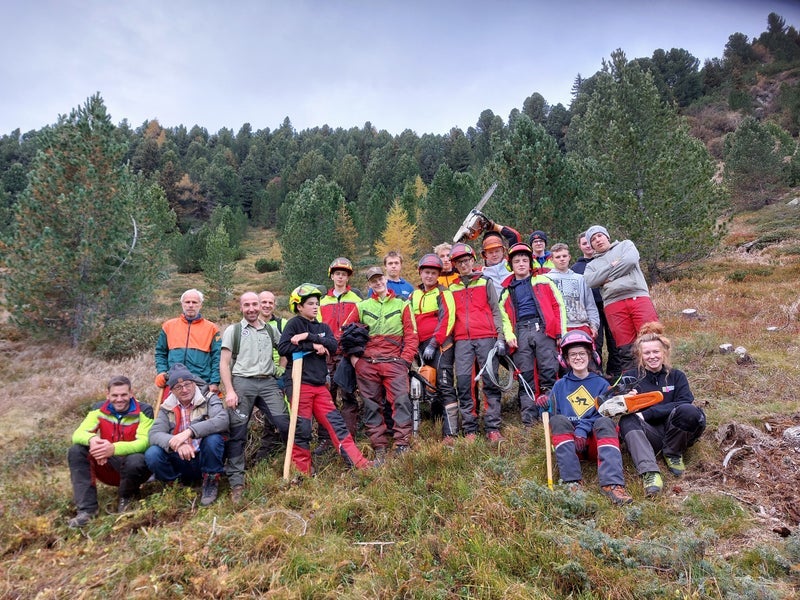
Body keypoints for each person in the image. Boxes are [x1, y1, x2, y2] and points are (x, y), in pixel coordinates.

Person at [278, 284, 371, 474]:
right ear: (299, 306)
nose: (315, 307)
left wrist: (309, 337)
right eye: (310, 303)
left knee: (336, 423)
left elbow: (333, 345)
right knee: (302, 429)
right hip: (298, 385)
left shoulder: (322, 327)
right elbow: (284, 348)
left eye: (317, 303)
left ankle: (360, 464)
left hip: (320, 386)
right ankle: (302, 471)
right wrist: (313, 346)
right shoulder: (293, 324)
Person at [543, 331, 633, 505]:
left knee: (605, 422)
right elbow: (551, 417)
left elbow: (604, 412)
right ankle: (572, 482)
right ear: (566, 360)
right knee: (558, 421)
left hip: (594, 444)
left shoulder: (602, 384)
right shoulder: (559, 385)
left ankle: (612, 484)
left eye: (582, 353)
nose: (578, 358)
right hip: (571, 447)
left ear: (591, 356)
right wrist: (544, 405)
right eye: (573, 354)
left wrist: (582, 429)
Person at [220, 292, 294, 503]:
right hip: (243, 383)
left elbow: (285, 348)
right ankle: (236, 482)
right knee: (238, 431)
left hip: (268, 383)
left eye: (255, 304)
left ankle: (297, 462)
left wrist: (282, 367)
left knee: (284, 422)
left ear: (260, 306)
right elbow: (224, 363)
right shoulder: (233, 331)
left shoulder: (270, 329)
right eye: (247, 305)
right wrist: (230, 391)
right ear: (241, 307)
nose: (252, 308)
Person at [618, 322, 706, 496]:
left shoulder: (676, 376)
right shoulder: (629, 377)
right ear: (640, 355)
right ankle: (650, 471)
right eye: (647, 353)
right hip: (648, 435)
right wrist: (626, 401)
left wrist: (649, 413)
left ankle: (673, 453)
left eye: (656, 352)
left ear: (664, 352)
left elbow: (684, 401)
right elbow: (614, 408)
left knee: (689, 410)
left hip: (676, 433)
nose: (652, 356)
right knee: (627, 420)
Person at [346, 266, 418, 461]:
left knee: (401, 401)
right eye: (373, 281)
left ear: (385, 279)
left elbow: (412, 337)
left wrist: (405, 361)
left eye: (380, 279)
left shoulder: (402, 305)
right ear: (369, 284)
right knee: (371, 405)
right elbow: (345, 334)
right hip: (367, 363)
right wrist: (354, 359)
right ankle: (379, 445)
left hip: (395, 362)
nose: (378, 283)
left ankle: (402, 443)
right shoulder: (362, 306)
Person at [67, 376, 153, 527]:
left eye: (124, 395)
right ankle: (86, 511)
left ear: (131, 393)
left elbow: (144, 443)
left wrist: (112, 449)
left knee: (137, 458)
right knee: (76, 450)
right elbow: (78, 434)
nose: (119, 399)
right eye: (115, 395)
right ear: (107, 395)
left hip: (136, 471)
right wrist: (93, 441)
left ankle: (127, 499)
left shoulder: (144, 410)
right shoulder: (98, 409)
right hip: (108, 467)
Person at [499, 243, 566, 425]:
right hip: (520, 331)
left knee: (548, 371)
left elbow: (558, 306)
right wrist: (508, 334)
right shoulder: (506, 290)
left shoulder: (544, 281)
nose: (521, 264)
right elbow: (502, 316)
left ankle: (554, 416)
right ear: (511, 265)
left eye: (524, 260)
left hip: (543, 329)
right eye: (517, 261)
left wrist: (561, 333)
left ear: (530, 263)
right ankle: (529, 420)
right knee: (525, 375)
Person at [145, 364, 229, 505]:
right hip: (180, 460)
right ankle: (174, 485)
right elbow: (154, 434)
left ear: (194, 383)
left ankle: (211, 480)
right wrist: (176, 444)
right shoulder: (166, 407)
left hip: (204, 456)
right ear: (171, 390)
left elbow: (222, 420)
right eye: (178, 387)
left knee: (214, 439)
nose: (184, 390)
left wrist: (189, 432)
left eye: (187, 384)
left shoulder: (208, 398)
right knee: (152, 453)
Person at [449, 243, 507, 442]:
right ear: (455, 265)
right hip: (462, 341)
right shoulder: (451, 288)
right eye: (459, 262)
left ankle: (492, 427)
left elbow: (496, 310)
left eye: (466, 260)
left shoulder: (485, 282)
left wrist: (500, 337)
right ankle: (470, 429)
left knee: (490, 382)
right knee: (464, 384)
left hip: (486, 337)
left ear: (473, 261)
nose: (463, 264)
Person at [582, 225, 659, 374]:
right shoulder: (591, 265)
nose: (597, 240)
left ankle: (658, 375)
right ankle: (633, 381)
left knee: (651, 338)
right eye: (593, 239)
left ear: (607, 236)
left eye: (600, 236)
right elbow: (590, 281)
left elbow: (630, 261)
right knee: (625, 348)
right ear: (591, 245)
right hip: (613, 305)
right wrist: (614, 265)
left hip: (638, 297)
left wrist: (606, 277)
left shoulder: (626, 245)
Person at [410, 254, 459, 442]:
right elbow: (410, 321)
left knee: (445, 385)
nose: (429, 276)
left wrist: (434, 343)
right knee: (429, 386)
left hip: (441, 346)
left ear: (438, 274)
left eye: (433, 273)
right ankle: (436, 422)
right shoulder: (414, 295)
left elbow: (448, 319)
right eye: (426, 272)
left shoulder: (443, 292)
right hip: (420, 348)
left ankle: (450, 433)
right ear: (420, 273)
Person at [317, 257, 363, 451]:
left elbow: (361, 326)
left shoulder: (357, 300)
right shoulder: (322, 301)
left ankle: (348, 438)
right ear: (332, 276)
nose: (340, 277)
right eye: (337, 274)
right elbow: (316, 326)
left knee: (348, 396)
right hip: (326, 355)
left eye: (344, 274)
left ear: (348, 277)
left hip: (346, 355)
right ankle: (325, 438)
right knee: (326, 397)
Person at [154, 289, 222, 398]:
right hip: (174, 381)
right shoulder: (168, 326)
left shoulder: (212, 328)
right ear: (182, 304)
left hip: (201, 382)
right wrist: (162, 372)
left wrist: (214, 382)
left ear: (200, 305)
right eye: (187, 302)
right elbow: (160, 352)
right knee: (172, 414)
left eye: (194, 302)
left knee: (202, 414)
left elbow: (217, 357)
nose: (191, 305)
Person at [572, 232, 621, 376]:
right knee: (596, 342)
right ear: (580, 246)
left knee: (615, 340)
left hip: (610, 303)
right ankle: (597, 373)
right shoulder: (576, 268)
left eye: (589, 242)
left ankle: (615, 373)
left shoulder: (605, 260)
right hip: (591, 310)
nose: (588, 246)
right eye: (584, 243)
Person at [253, 290, 289, 461]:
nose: (267, 305)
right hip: (256, 375)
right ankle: (268, 445)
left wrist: (282, 369)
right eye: (263, 302)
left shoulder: (283, 324)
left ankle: (275, 445)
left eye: (270, 302)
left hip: (279, 375)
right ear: (257, 304)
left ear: (275, 305)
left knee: (278, 411)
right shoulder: (248, 325)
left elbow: (288, 350)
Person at [546, 243, 599, 340]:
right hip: (560, 328)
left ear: (569, 257)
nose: (562, 259)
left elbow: (590, 304)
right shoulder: (546, 279)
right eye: (558, 257)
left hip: (582, 325)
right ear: (551, 260)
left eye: (564, 256)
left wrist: (594, 325)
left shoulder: (580, 278)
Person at [479, 221, 522, 297]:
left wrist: (494, 226)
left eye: (497, 251)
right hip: (496, 308)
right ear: (484, 254)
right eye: (490, 252)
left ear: (503, 250)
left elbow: (514, 236)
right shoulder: (480, 273)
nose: (494, 255)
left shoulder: (512, 264)